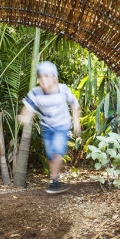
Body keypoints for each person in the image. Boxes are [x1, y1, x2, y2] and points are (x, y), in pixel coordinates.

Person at [17, 61, 81, 193]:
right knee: (50, 156)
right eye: (40, 77)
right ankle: (55, 180)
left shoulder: (63, 89)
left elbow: (75, 104)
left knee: (56, 151)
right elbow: (27, 109)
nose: (42, 80)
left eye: (46, 76)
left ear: (55, 78)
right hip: (47, 127)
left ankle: (53, 181)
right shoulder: (35, 93)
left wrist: (76, 122)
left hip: (62, 126)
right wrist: (24, 117)